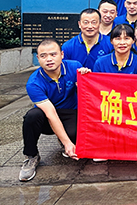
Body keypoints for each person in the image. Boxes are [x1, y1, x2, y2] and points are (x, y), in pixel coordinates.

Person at [20, 39, 89, 181]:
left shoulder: (75, 67)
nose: (49, 59)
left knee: (77, 136)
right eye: (43, 56)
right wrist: (67, 143)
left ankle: (64, 137)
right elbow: (50, 114)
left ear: (62, 54)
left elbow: (89, 92)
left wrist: (87, 76)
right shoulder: (34, 83)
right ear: (38, 58)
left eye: (53, 54)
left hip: (70, 112)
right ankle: (31, 156)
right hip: (47, 116)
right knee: (31, 117)